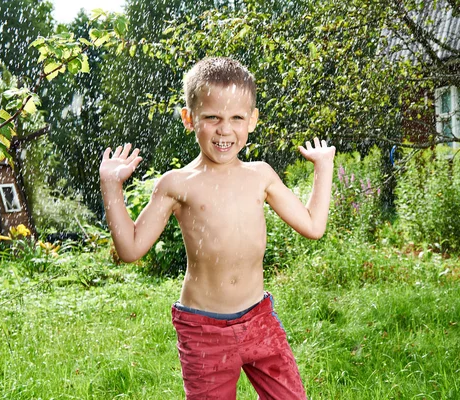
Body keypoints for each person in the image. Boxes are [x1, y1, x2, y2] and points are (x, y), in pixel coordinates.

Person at [99, 57, 335, 399]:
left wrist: (323, 167)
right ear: (189, 118)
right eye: (212, 118)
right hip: (203, 328)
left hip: (258, 319)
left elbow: (313, 225)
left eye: (237, 118)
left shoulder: (261, 175)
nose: (225, 130)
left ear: (252, 120)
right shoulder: (177, 184)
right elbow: (131, 249)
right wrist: (111, 186)